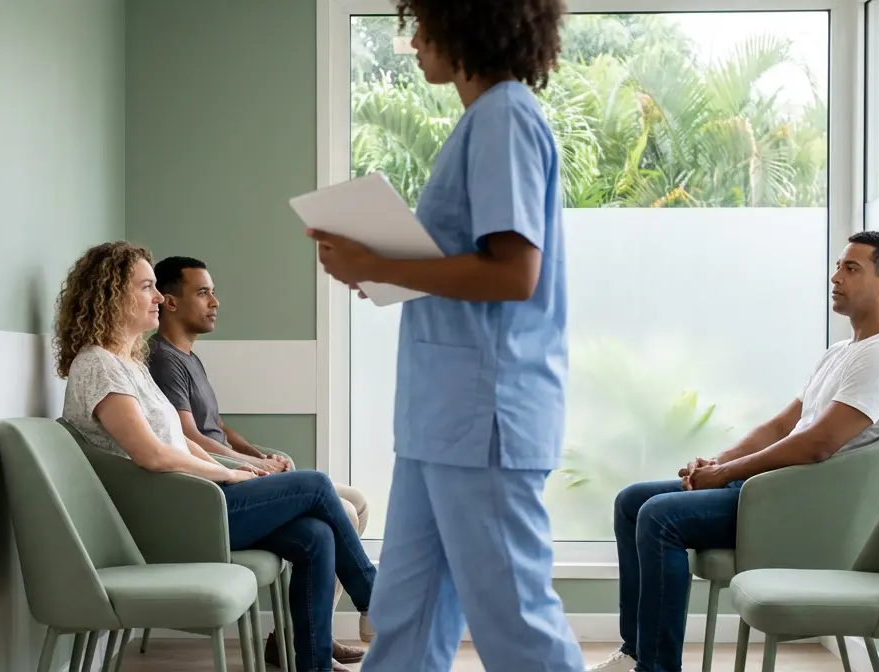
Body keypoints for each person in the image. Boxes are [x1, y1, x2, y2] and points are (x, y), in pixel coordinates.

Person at [306, 1, 582, 669]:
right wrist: (380, 267)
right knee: (406, 619)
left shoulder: (505, 116)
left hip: (483, 417)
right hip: (441, 421)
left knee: (516, 620)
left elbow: (515, 272)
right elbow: (466, 266)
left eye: (425, 23)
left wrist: (377, 264)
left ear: (468, 26)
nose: (416, 38)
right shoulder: (480, 123)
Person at [589, 231, 879, 672]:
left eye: (851, 268)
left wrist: (725, 476)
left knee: (659, 516)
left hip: (802, 510)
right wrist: (719, 462)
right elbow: (783, 426)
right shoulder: (843, 352)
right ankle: (635, 654)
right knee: (632, 501)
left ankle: (657, 668)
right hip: (771, 493)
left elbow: (818, 444)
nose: (835, 277)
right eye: (838, 265)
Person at [54, 241, 379, 672]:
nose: (157, 298)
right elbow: (151, 455)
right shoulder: (98, 365)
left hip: (191, 503)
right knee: (317, 484)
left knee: (316, 536)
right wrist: (226, 476)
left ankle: (313, 665)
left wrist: (236, 467)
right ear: (112, 294)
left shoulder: (128, 363)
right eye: (146, 287)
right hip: (172, 517)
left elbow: (181, 441)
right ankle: (377, 602)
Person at [147, 255, 374, 665]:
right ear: (170, 301)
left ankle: (309, 652)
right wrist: (245, 466)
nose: (215, 301)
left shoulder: (189, 357)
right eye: (203, 292)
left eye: (213, 292)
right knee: (328, 494)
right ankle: (371, 602)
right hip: (211, 492)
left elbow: (214, 425)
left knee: (326, 528)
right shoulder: (162, 359)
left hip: (228, 476)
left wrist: (257, 455)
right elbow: (189, 437)